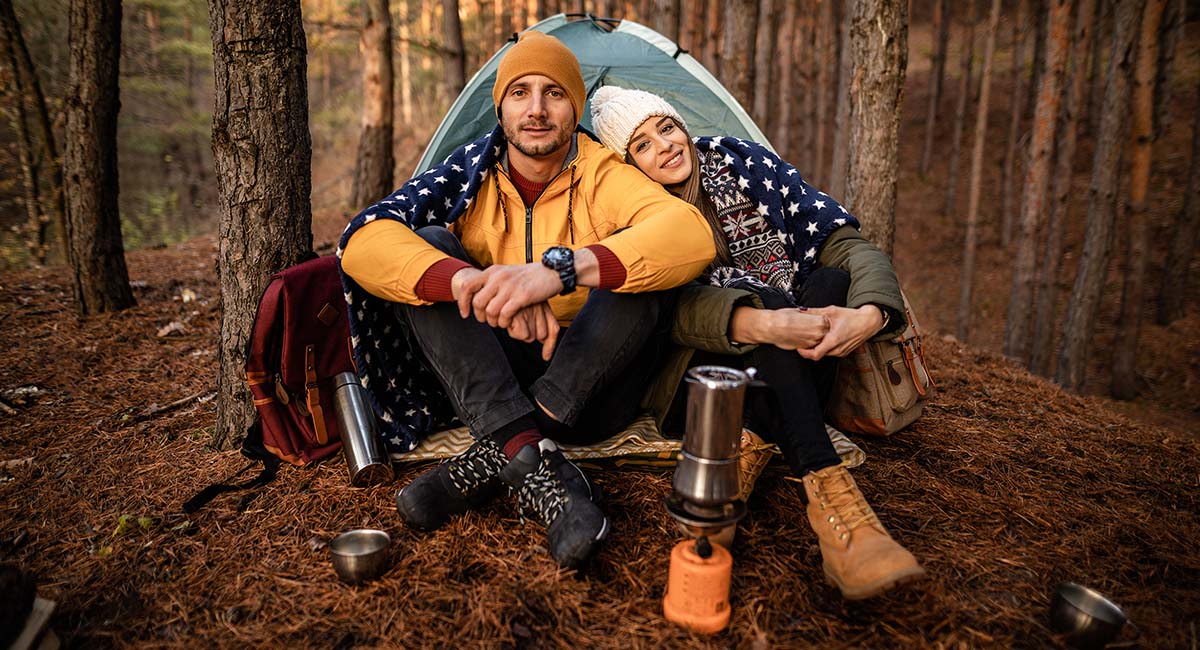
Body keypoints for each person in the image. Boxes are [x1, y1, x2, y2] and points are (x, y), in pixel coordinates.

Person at [337, 35, 716, 569]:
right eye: (520, 92)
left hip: (593, 386)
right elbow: (363, 240)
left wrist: (558, 272)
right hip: (499, 377)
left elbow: (690, 234)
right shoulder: (468, 173)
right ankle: (539, 468)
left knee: (640, 273)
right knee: (430, 248)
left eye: (554, 93)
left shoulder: (605, 171)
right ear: (501, 107)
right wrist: (469, 282)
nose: (536, 109)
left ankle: (500, 450)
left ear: (575, 108)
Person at [589, 86, 925, 599]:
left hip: (787, 353)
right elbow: (669, 315)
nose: (665, 146)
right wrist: (761, 319)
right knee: (764, 301)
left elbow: (847, 243)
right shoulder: (636, 211)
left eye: (666, 127)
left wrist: (870, 314)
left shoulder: (741, 162)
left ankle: (748, 441)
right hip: (700, 378)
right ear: (628, 164)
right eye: (641, 144)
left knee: (830, 283)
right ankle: (836, 502)